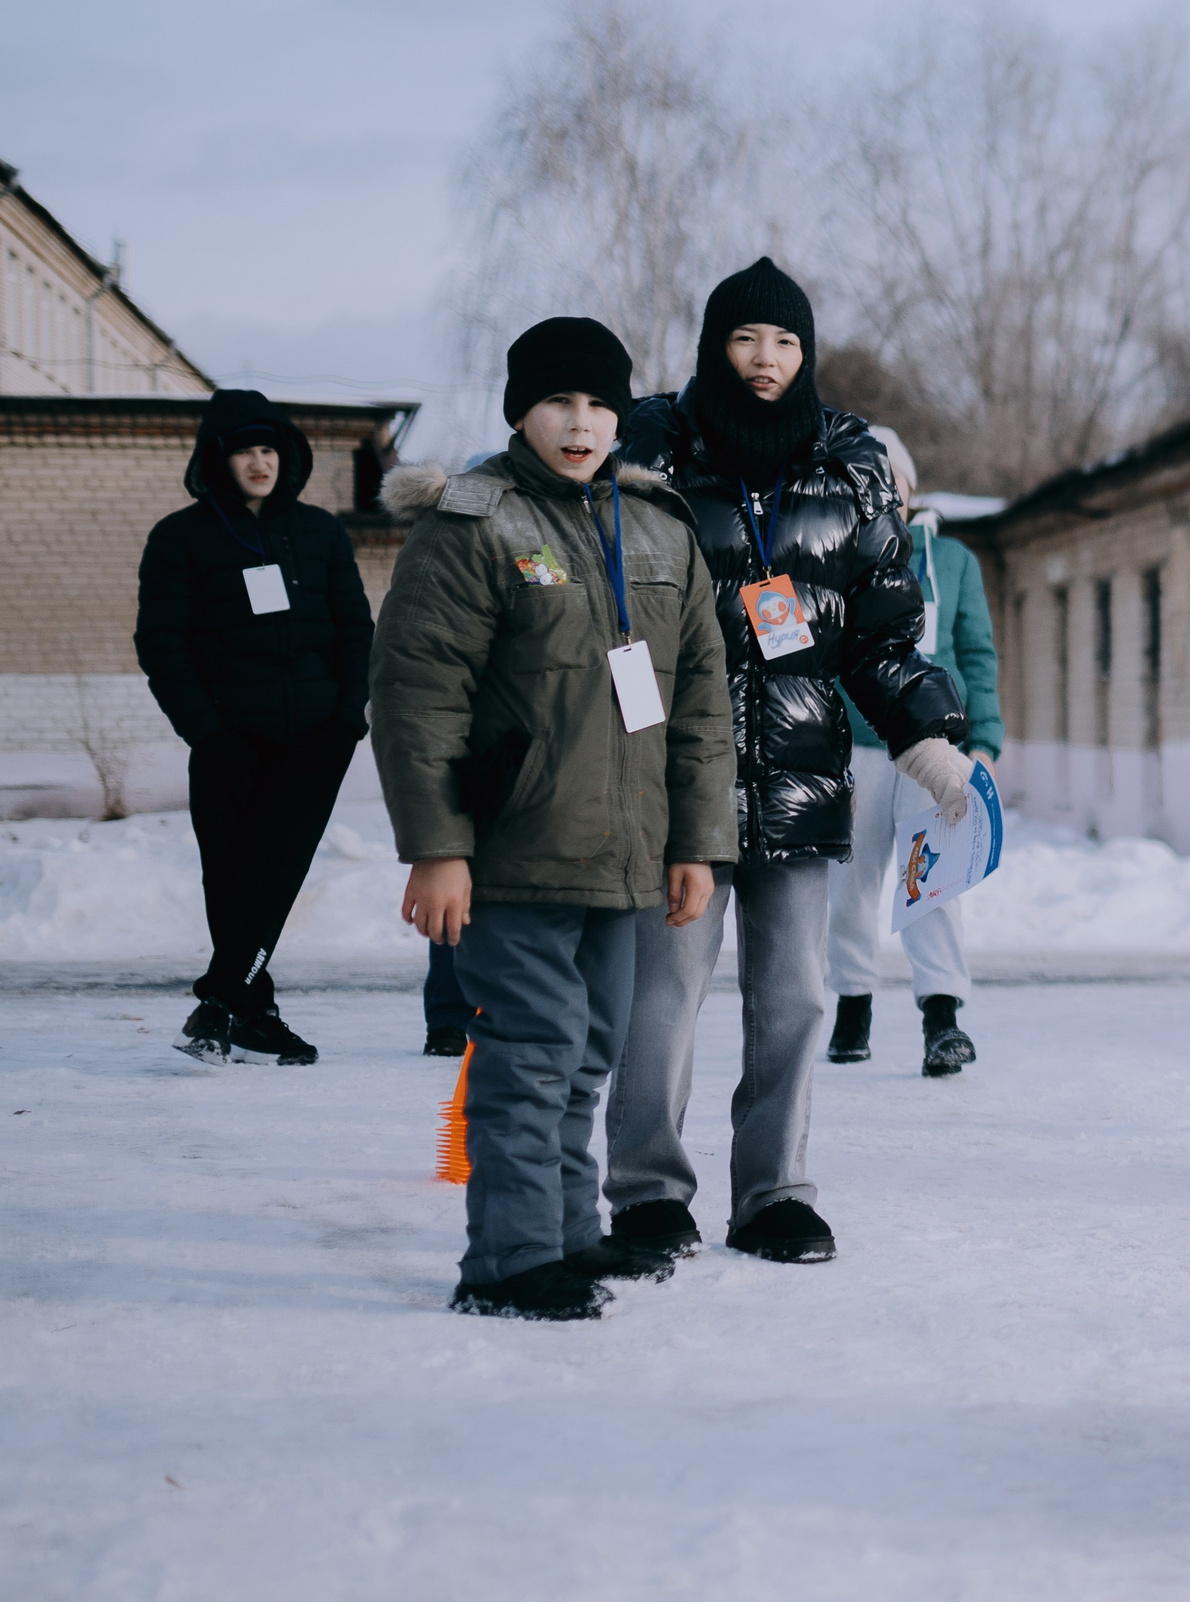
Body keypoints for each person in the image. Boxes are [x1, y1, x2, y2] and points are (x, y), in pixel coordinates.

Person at [607, 260, 973, 1266]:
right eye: (745, 340)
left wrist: (927, 737)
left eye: (785, 343)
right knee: (662, 994)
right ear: (712, 347)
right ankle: (646, 1192)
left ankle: (773, 1193)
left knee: (798, 996)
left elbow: (883, 633)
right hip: (680, 777)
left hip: (803, 768)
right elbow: (614, 618)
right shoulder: (651, 448)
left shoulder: (848, 459)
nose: (765, 361)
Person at [371, 316, 738, 1322]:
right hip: (513, 851)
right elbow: (417, 696)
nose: (580, 424)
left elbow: (701, 700)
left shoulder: (660, 528)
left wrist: (696, 844)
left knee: (586, 1059)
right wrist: (438, 848)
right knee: (531, 1057)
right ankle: (509, 1260)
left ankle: (570, 1238)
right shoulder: (476, 523)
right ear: (519, 410)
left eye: (598, 404)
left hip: (624, 858)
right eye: (558, 403)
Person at [135, 389, 374, 1065]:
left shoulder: (321, 532)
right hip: (227, 738)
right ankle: (250, 1010)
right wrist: (205, 729)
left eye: (270, 448)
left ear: (287, 455)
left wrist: (345, 714)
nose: (260, 462)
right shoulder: (180, 537)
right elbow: (162, 643)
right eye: (246, 449)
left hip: (315, 738)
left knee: (276, 872)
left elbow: (356, 629)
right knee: (234, 879)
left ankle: (220, 1001)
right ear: (219, 458)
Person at [824, 425, 1005, 1076]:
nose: (876, 491)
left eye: (887, 478)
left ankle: (942, 1016)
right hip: (856, 745)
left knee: (932, 880)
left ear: (909, 486)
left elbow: (978, 656)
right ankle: (852, 1003)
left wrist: (983, 738)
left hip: (935, 746)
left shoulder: (952, 562)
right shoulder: (831, 554)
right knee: (849, 883)